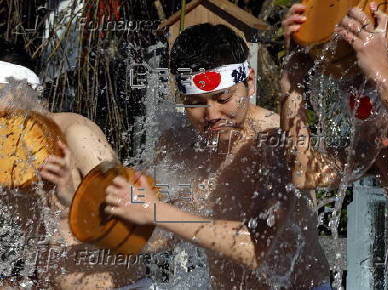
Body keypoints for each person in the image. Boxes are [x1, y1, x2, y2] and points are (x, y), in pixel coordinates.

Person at [104, 23, 333, 289]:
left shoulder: (274, 141)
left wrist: (156, 211)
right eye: (196, 103)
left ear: (249, 81)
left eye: (223, 98)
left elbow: (256, 248)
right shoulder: (178, 143)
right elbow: (160, 236)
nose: (211, 115)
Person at [283, 2, 388, 289]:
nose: (382, 142)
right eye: (372, 132)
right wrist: (292, 84)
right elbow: (306, 172)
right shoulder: (386, 150)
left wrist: (381, 71)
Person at [0, 41, 149, 289]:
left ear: (20, 91)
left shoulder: (76, 135)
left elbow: (134, 232)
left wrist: (70, 195)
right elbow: (47, 250)